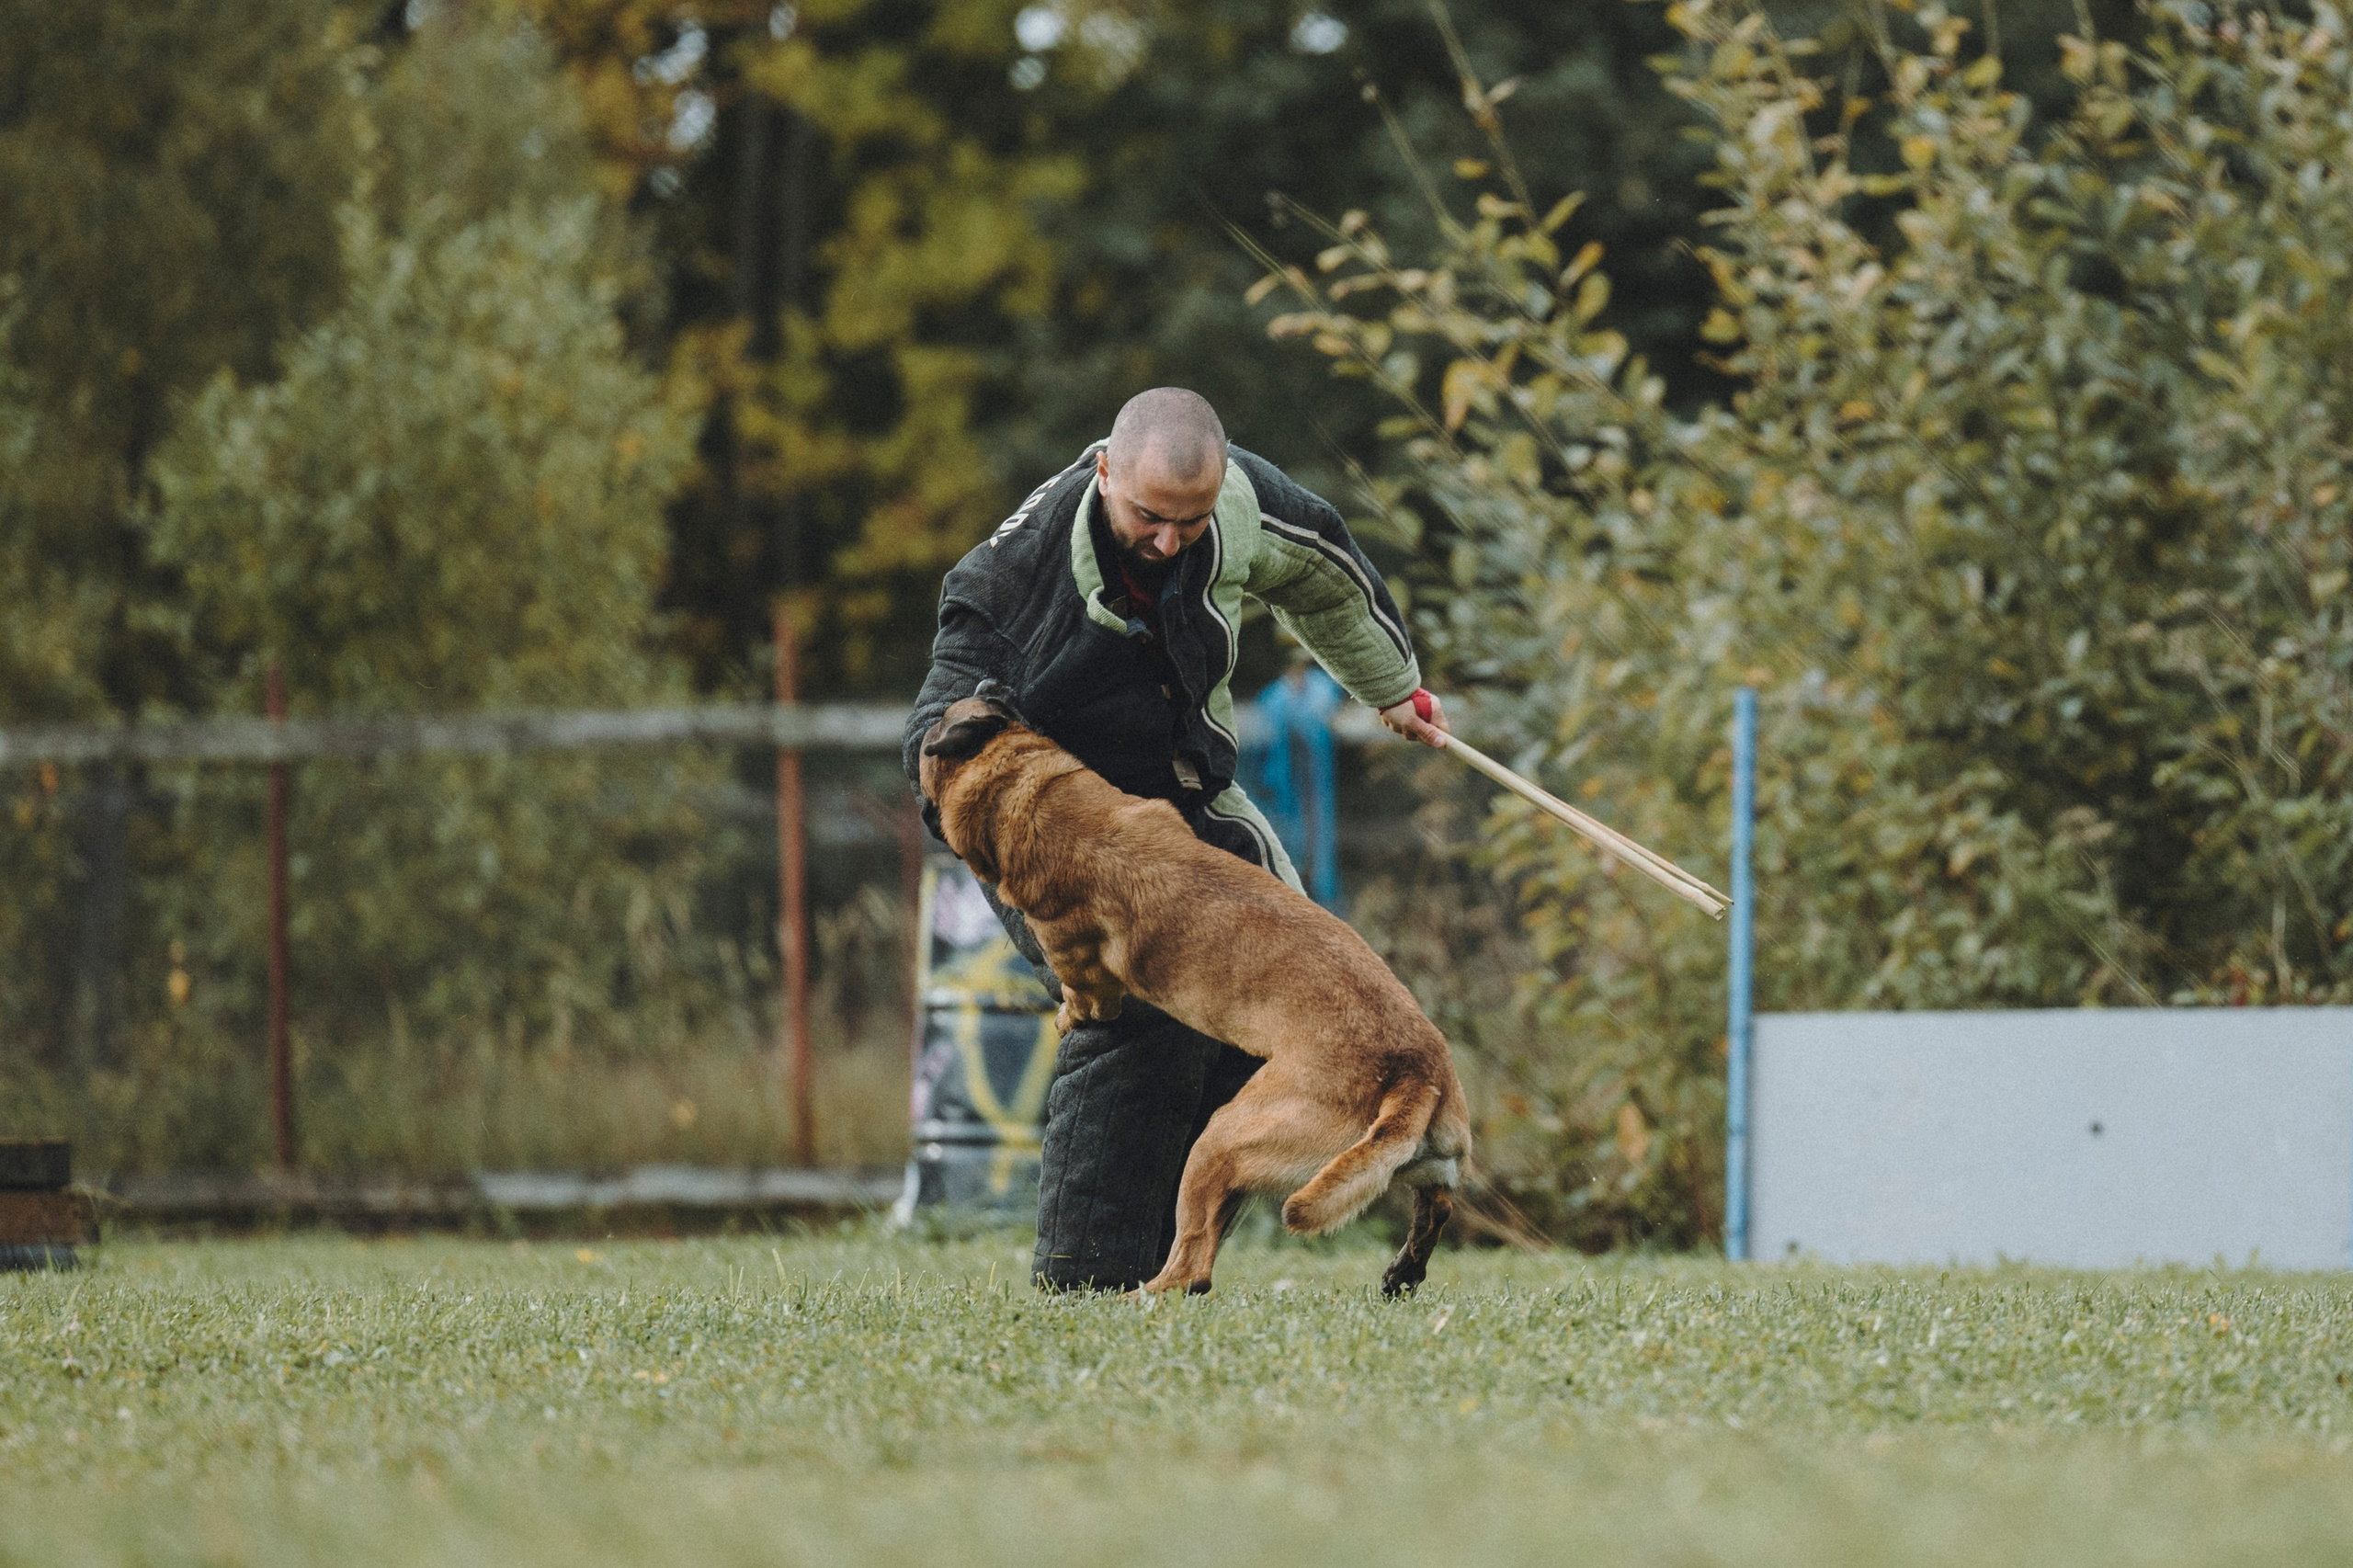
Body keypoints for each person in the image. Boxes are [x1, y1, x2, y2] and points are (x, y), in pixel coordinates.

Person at [903, 386, 1448, 1290]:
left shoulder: (1240, 501)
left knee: (1298, 984)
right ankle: (1088, 1282)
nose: (1167, 542)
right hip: (1060, 836)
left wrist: (1389, 684)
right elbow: (933, 741)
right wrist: (1027, 829)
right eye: (1148, 518)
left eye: (1189, 524)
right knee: (1132, 1008)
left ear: (1221, 485)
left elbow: (1322, 570)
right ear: (1104, 472)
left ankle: (1176, 1264)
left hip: (1188, 795)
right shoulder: (1008, 581)